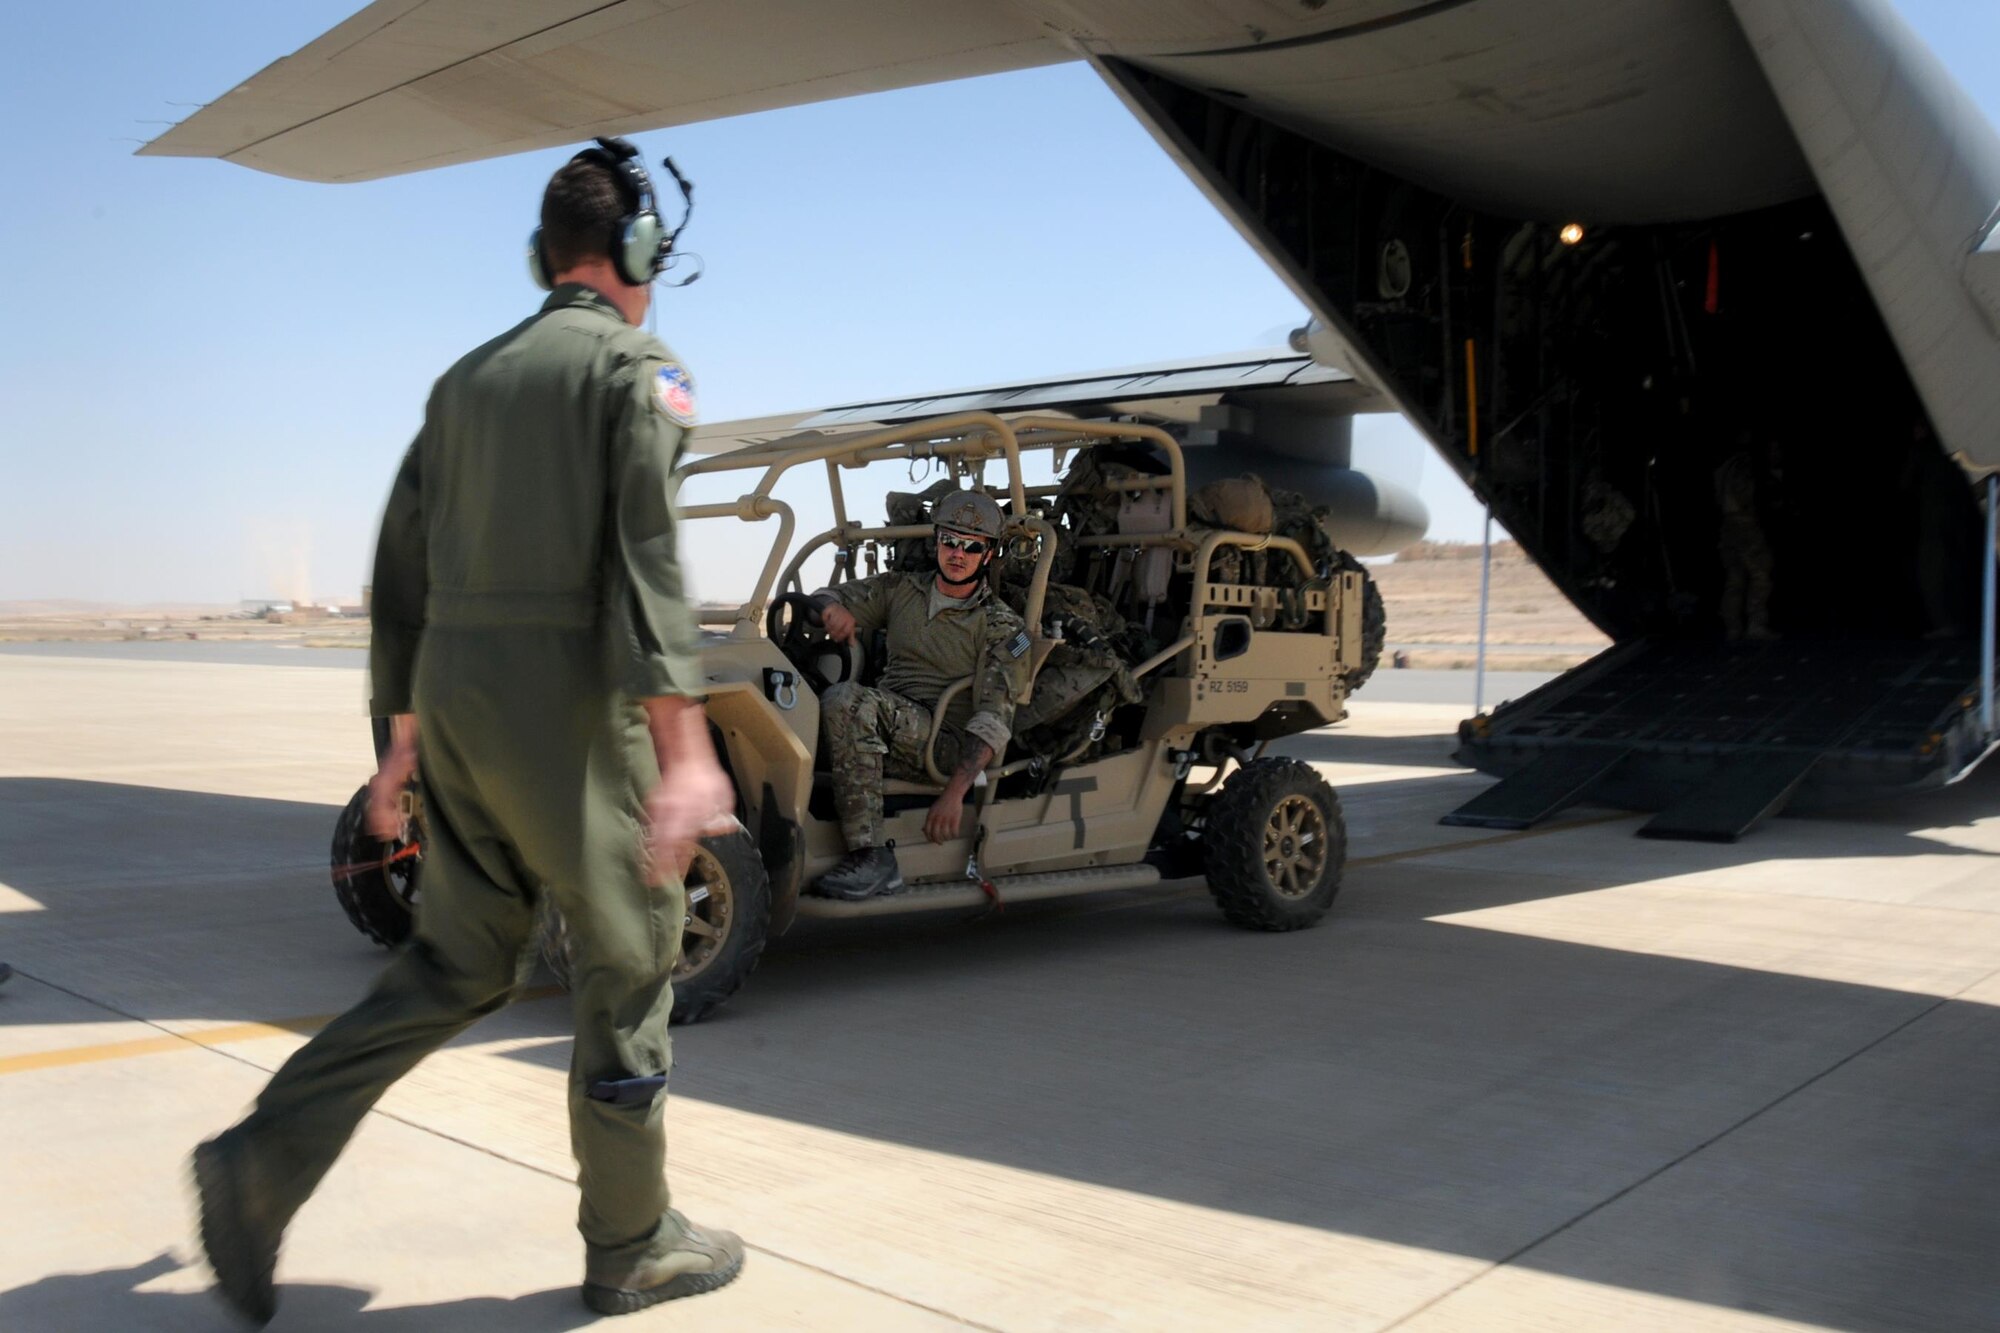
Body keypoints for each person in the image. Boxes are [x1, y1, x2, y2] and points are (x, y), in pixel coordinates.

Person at [190, 137, 743, 1325]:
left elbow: (398, 570)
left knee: (455, 961)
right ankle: (634, 1240)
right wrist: (686, 748)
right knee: (629, 960)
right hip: (575, 715)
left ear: (539, 256)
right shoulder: (637, 373)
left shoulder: (462, 382)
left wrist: (398, 746)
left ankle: (259, 1163)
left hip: (459, 712)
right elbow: (646, 560)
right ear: (638, 252)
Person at [806, 490, 1030, 900]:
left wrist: (955, 793)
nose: (957, 554)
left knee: (847, 701)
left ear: (989, 554)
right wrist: (829, 610)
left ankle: (872, 857)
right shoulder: (902, 590)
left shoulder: (1002, 627)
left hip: (943, 744)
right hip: (893, 723)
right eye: (950, 541)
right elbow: (829, 595)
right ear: (936, 541)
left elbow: (995, 718)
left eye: (971, 546)